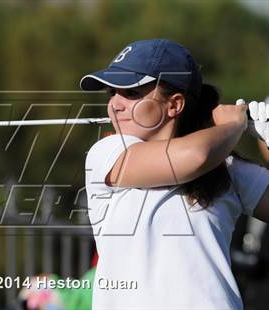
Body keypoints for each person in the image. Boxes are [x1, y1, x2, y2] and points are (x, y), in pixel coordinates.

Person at [81, 39, 269, 309]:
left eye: (130, 93)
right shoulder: (107, 153)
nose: (115, 105)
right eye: (112, 92)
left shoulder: (227, 169)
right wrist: (235, 124)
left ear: (175, 104)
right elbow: (195, 156)